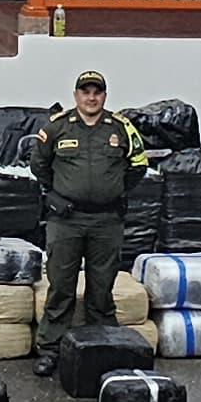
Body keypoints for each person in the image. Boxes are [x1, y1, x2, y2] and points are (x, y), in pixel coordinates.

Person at [35, 70, 150, 345]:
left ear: (104, 96)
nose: (91, 97)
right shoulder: (56, 127)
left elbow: (139, 163)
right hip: (66, 221)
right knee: (61, 287)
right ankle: (51, 349)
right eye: (85, 92)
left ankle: (101, 346)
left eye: (96, 92)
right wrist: (57, 194)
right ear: (76, 96)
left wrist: (115, 189)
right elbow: (39, 165)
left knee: (101, 290)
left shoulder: (121, 127)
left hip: (106, 221)